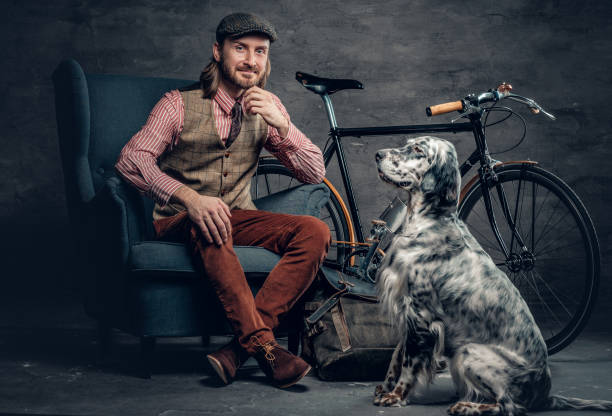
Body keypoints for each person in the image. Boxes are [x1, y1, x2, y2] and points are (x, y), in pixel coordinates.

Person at [115, 12, 330, 388]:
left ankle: (238, 350)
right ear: (218, 52)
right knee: (208, 216)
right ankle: (266, 349)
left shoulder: (267, 108)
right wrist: (189, 198)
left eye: (260, 52)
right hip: (179, 219)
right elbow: (132, 159)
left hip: (237, 216)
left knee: (314, 230)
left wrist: (283, 125)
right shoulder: (178, 104)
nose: (251, 60)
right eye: (240, 49)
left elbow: (314, 173)